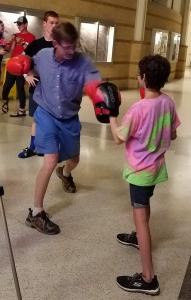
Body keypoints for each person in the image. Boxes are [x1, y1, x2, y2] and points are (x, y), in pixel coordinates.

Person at [109, 55, 180, 295]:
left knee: (140, 218)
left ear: (144, 78)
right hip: (156, 169)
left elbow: (119, 138)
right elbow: (173, 135)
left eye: (139, 74)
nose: (138, 76)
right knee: (144, 203)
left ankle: (148, 279)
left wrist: (111, 114)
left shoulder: (139, 108)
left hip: (139, 172)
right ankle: (138, 238)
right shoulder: (168, 102)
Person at [22, 22, 102, 234]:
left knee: (74, 160)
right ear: (55, 43)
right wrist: (26, 72)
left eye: (73, 46)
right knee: (49, 159)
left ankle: (65, 173)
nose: (71, 51)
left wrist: (100, 94)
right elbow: (27, 63)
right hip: (46, 113)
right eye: (66, 47)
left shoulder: (82, 61)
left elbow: (95, 82)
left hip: (69, 117)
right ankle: (36, 213)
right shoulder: (43, 55)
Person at [18, 11, 59, 159]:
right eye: (52, 22)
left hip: (55, 91)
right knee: (37, 119)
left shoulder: (60, 44)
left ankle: (49, 148)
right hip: (37, 89)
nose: (54, 26)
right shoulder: (35, 44)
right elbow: (21, 61)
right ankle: (33, 147)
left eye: (56, 23)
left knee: (54, 120)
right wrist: (26, 74)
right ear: (45, 24)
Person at [1, 16, 35, 115]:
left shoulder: (31, 37)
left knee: (20, 87)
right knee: (7, 86)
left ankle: (21, 109)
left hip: (23, 66)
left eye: (20, 24)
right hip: (12, 64)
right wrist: (10, 43)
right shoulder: (15, 35)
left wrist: (22, 42)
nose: (18, 26)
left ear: (26, 24)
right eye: (17, 24)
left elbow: (31, 51)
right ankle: (5, 102)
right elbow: (11, 50)